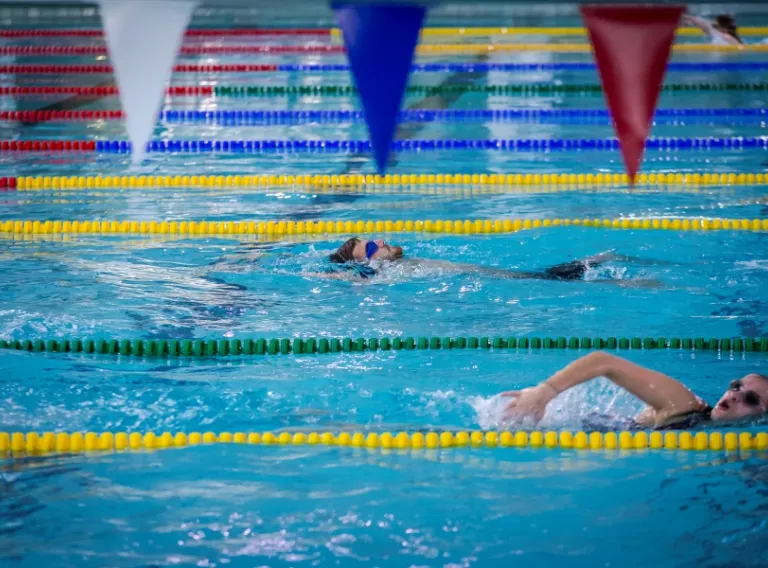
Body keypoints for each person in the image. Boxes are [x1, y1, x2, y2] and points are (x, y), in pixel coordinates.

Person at [502, 351, 768, 430]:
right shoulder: (683, 405)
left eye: (750, 398)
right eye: (736, 385)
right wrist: (543, 393)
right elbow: (601, 361)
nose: (734, 394)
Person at [323, 236, 662, 286]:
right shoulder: (381, 274)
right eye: (370, 247)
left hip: (521, 276)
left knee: (612, 255)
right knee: (605, 268)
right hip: (522, 282)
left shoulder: (397, 263)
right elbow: (341, 279)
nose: (381, 241)